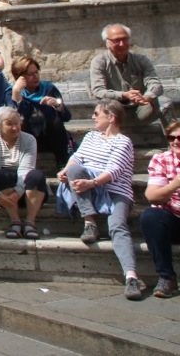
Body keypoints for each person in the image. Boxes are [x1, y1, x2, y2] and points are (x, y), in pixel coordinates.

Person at [57, 99, 142, 300]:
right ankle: (90, 222)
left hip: (115, 191)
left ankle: (131, 277)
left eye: (97, 113)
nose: (93, 117)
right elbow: (77, 158)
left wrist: (92, 183)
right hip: (90, 188)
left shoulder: (123, 142)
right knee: (74, 170)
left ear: (111, 117)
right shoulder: (91, 136)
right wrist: (65, 170)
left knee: (117, 226)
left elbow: (114, 170)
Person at [0, 106, 47, 240]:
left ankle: (30, 223)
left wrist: (17, 193)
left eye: (17, 123)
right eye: (9, 124)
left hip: (27, 191)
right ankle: (15, 221)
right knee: (1, 175)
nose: (15, 127)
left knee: (36, 175)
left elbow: (26, 169)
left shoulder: (29, 139)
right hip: (3, 193)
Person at [90, 23, 170, 129]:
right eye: (117, 40)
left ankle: (174, 137)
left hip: (140, 110)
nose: (122, 44)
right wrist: (124, 95)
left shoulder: (141, 60)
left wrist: (146, 97)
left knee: (165, 102)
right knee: (106, 106)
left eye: (125, 39)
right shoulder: (99, 62)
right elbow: (98, 91)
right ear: (107, 42)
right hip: (115, 114)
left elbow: (155, 84)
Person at [8, 55, 72, 169]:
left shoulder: (48, 88)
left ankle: (63, 162)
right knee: (22, 122)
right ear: (20, 77)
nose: (35, 76)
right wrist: (17, 95)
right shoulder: (11, 92)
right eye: (30, 74)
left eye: (36, 72)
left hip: (50, 137)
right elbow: (15, 117)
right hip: (28, 138)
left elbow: (66, 117)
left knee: (55, 121)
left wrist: (57, 105)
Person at [141, 121, 180, 298]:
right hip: (173, 219)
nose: (176, 141)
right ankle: (167, 278)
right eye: (171, 138)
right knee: (150, 216)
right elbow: (152, 196)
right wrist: (174, 184)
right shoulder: (162, 159)